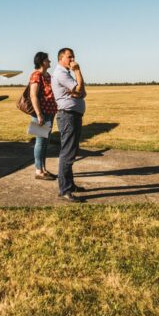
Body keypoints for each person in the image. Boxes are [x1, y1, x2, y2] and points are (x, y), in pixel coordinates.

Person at [50, 47, 87, 202]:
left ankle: (69, 185)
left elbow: (82, 92)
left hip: (73, 115)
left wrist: (78, 90)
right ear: (61, 59)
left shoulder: (65, 73)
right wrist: (78, 71)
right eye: (69, 57)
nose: (72, 60)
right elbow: (79, 88)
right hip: (68, 116)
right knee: (67, 153)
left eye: (73, 57)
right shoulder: (60, 73)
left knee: (71, 152)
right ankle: (64, 189)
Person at [28, 51, 58, 180]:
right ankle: (38, 170)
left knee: (46, 142)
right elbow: (33, 95)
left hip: (50, 113)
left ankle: (43, 169)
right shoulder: (36, 75)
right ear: (42, 62)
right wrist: (39, 114)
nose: (50, 61)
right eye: (47, 60)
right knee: (40, 141)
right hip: (41, 114)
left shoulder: (48, 75)